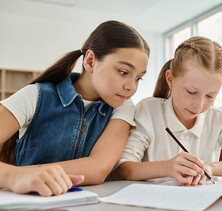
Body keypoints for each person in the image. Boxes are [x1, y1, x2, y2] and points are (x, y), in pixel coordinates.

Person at [0, 20, 150, 196]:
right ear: (90, 60)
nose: (131, 87)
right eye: (123, 72)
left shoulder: (122, 107)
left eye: (139, 78)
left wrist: (36, 172)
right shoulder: (35, 95)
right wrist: (16, 176)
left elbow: (98, 168)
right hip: (28, 204)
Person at [111, 36, 222, 186]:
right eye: (191, 92)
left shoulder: (216, 119)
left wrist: (209, 168)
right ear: (170, 80)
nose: (199, 105)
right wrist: (166, 167)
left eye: (210, 96)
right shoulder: (149, 111)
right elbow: (122, 168)